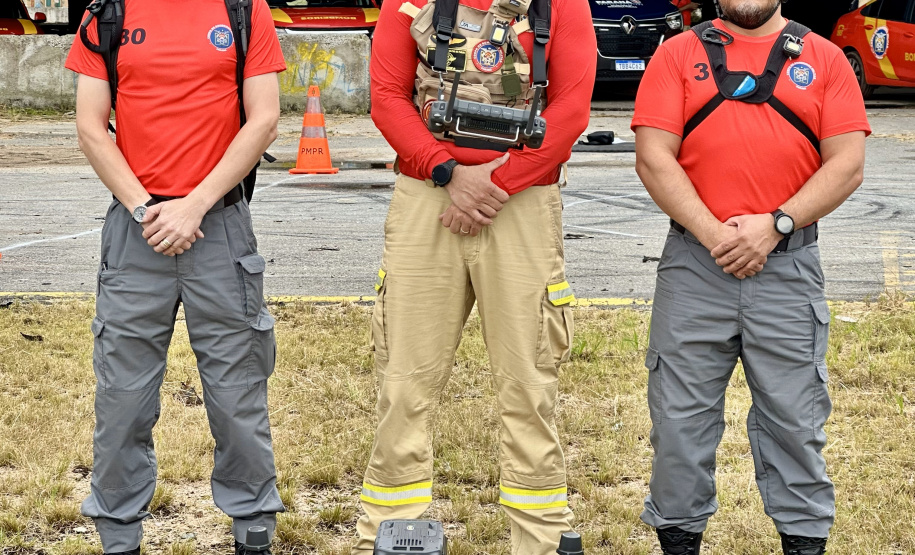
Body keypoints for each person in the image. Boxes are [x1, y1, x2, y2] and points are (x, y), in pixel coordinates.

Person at [353, 0, 595, 552]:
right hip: (427, 196)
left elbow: (571, 111)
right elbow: (387, 98)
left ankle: (540, 539)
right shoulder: (407, 4)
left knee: (529, 383)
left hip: (523, 200)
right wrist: (447, 173)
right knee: (404, 382)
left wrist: (494, 184)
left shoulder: (563, 6)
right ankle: (388, 533)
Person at [632, 0, 870, 553]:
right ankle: (679, 539)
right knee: (678, 427)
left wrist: (776, 225)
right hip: (694, 268)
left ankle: (804, 541)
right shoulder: (677, 55)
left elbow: (847, 164)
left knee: (796, 423)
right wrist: (715, 234)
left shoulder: (826, 59)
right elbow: (653, 157)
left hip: (788, 270)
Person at [65, 1, 287, 553]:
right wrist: (146, 209)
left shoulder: (243, 10)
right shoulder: (108, 13)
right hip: (136, 231)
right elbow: (90, 127)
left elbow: (264, 118)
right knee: (122, 398)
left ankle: (253, 528)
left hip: (220, 229)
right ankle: (119, 535)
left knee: (237, 392)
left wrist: (195, 205)